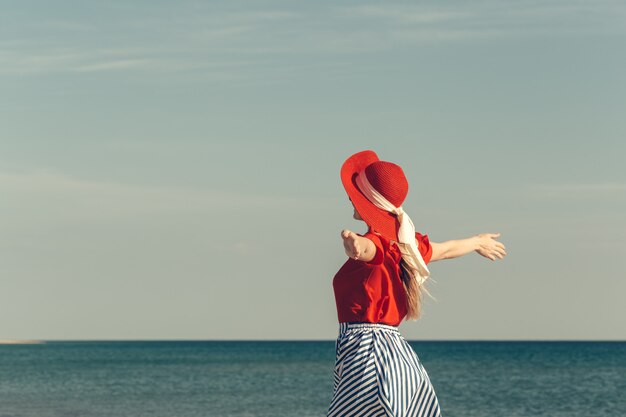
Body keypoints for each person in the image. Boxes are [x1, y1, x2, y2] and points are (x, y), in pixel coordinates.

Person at [327, 150, 507, 417]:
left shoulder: (379, 244)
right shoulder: (407, 246)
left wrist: (354, 244)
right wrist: (477, 242)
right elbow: (445, 250)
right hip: (396, 356)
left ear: (367, 202)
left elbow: (367, 250)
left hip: (368, 356)